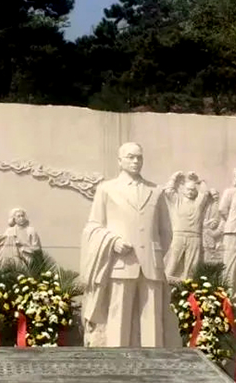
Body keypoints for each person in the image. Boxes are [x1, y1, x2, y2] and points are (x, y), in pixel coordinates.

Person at [79, 142, 172, 347]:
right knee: (118, 318)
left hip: (151, 265)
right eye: (131, 157)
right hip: (121, 263)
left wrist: (153, 253)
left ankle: (153, 363)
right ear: (120, 161)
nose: (136, 161)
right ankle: (117, 361)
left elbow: (166, 232)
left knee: (153, 321)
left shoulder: (156, 191)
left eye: (139, 157)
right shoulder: (107, 189)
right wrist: (113, 242)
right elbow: (93, 226)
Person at [163, 172, 214, 281]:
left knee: (191, 268)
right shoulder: (178, 201)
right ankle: (166, 285)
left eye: (193, 190)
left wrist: (199, 180)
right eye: (188, 189)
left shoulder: (198, 204)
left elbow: (205, 193)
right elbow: (168, 191)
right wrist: (174, 177)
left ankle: (188, 288)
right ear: (183, 190)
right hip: (179, 236)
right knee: (172, 263)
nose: (190, 192)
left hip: (194, 237)